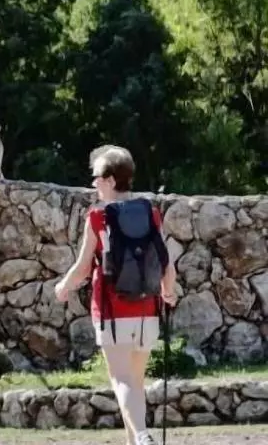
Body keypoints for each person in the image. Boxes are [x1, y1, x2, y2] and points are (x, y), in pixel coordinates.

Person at [55, 145, 177, 445]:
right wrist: (169, 292)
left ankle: (143, 436)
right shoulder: (151, 213)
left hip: (112, 310)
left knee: (121, 380)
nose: (93, 183)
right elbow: (165, 261)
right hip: (148, 307)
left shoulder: (98, 218)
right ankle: (134, 440)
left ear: (111, 180)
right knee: (135, 383)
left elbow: (83, 268)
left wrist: (62, 287)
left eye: (96, 176)